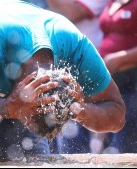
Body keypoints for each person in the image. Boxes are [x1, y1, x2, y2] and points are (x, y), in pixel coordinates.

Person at [0, 0, 125, 160]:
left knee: (31, 159)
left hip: (10, 76)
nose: (23, 123)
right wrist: (7, 108)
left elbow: (117, 115)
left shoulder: (76, 49)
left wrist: (80, 110)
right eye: (26, 118)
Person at [46, 0, 109, 154]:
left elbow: (72, 13)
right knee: (60, 139)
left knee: (73, 142)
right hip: (61, 67)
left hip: (89, 70)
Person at [98, 0, 137, 153]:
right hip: (113, 81)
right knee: (107, 143)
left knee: (126, 144)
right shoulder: (112, 2)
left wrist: (119, 60)